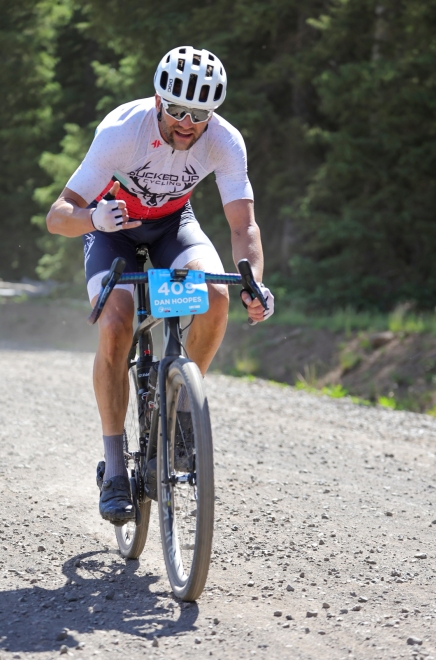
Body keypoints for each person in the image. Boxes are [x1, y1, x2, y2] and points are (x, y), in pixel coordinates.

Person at [46, 46, 274, 524]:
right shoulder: (121, 131)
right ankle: (113, 467)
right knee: (116, 322)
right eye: (177, 110)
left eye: (201, 114)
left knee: (216, 294)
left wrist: (254, 278)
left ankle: (182, 410)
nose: (188, 123)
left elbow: (243, 227)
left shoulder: (225, 141)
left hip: (173, 225)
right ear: (157, 100)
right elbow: (58, 217)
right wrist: (94, 217)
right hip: (114, 227)